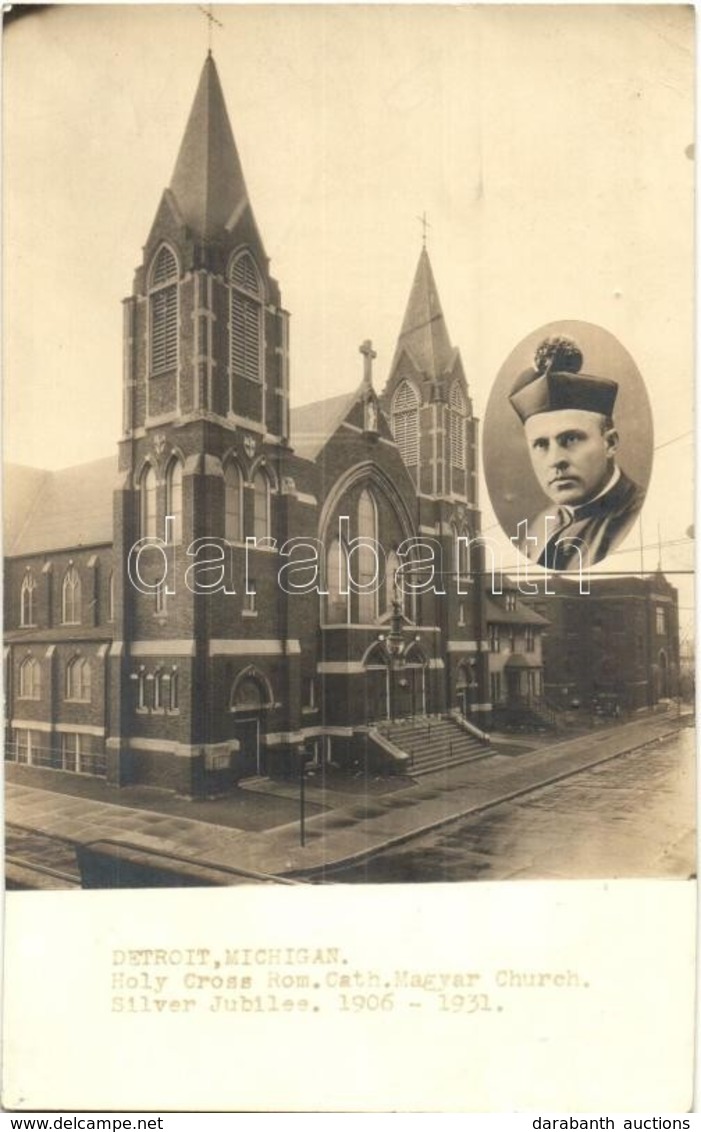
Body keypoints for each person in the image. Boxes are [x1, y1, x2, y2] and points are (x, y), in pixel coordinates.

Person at [509, 336, 646, 570]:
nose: (556, 460)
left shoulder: (638, 518)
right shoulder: (539, 526)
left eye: (570, 439)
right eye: (541, 444)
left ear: (610, 443)